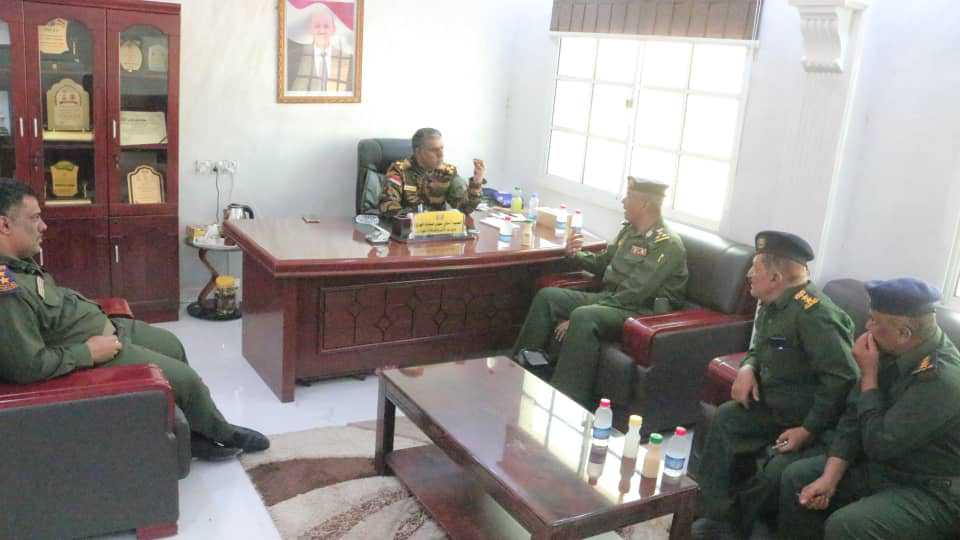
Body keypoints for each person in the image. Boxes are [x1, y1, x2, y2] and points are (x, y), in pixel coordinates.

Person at [0, 179, 269, 461]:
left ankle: (192, 432)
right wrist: (87, 353)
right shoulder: (6, 292)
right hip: (94, 352)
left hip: (109, 330)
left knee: (172, 344)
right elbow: (27, 366)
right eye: (34, 218)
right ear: (5, 225)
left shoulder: (20, 262)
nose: (43, 226)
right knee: (186, 380)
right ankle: (222, 432)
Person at [692, 231, 858, 539]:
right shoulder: (774, 302)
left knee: (775, 472)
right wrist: (747, 367)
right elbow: (762, 346)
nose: (749, 274)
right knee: (726, 418)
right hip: (775, 408)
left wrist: (807, 430)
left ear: (776, 277)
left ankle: (738, 528)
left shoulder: (815, 315)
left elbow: (843, 380)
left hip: (813, 423)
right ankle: (712, 514)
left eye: (755, 268)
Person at [778, 278, 960, 539]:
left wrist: (870, 376)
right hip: (888, 467)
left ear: (904, 333)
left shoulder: (941, 378)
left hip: (932, 487)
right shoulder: (890, 349)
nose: (867, 327)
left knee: (847, 525)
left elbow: (879, 443)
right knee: (796, 477)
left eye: (874, 321)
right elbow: (854, 416)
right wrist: (830, 478)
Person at [512, 177, 688, 406]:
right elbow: (604, 263)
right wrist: (575, 254)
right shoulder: (629, 232)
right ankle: (522, 370)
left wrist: (589, 309)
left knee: (584, 316)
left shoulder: (667, 244)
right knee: (548, 297)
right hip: (611, 299)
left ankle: (567, 400)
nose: (623, 202)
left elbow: (635, 292)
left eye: (629, 197)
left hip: (640, 313)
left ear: (645, 204)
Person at [377, 127, 486, 217]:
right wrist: (411, 217)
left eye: (441, 148)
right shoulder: (400, 170)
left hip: (438, 229)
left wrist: (477, 182)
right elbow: (387, 205)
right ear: (418, 152)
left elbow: (464, 209)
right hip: (408, 229)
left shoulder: (447, 172)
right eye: (434, 150)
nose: (441, 154)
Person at [285, 0, 356, 93]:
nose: (321, 30)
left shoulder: (349, 59)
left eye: (326, 26)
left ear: (333, 29)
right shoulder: (294, 56)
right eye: (317, 26)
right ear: (310, 29)